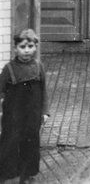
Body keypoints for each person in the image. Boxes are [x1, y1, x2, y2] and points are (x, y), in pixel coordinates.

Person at [0, 29, 49, 183]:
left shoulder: (39, 67)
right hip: (13, 115)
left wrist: (45, 112)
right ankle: (9, 175)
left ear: (35, 47)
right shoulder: (9, 69)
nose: (27, 51)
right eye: (22, 47)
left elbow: (44, 91)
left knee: (31, 142)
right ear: (15, 48)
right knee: (11, 142)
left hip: (32, 114)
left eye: (30, 46)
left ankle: (28, 174)